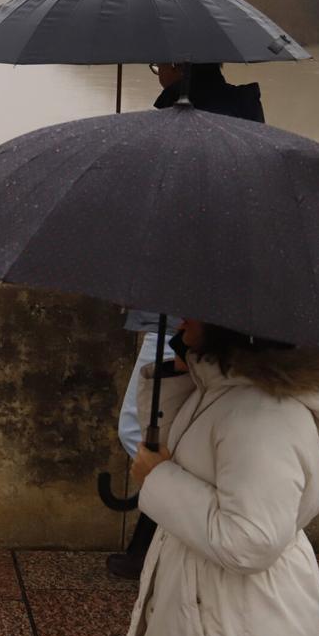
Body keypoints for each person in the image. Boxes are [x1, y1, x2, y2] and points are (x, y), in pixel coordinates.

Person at [117, 320, 319, 636]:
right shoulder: (224, 392)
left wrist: (158, 478)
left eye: (195, 309)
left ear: (230, 325)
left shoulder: (262, 416)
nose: (183, 319)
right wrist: (179, 373)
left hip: (237, 625)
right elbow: (188, 456)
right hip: (208, 603)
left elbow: (250, 541)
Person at [107, 62, 266, 580]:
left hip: (180, 307)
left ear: (183, 63)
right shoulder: (236, 118)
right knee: (167, 428)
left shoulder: (190, 125)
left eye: (160, 59)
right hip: (197, 304)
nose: (155, 67)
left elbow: (176, 216)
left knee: (140, 430)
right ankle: (152, 546)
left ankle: (186, 522)